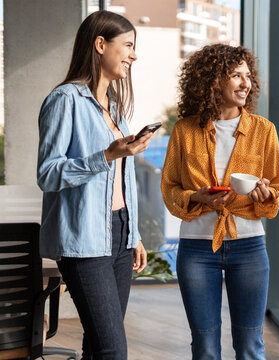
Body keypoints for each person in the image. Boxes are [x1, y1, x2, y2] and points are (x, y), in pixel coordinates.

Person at [37, 10, 152, 359]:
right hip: (84, 242)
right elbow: (48, 174)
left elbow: (119, 181)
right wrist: (105, 155)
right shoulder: (65, 100)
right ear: (101, 44)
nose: (134, 55)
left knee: (98, 345)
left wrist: (134, 236)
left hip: (119, 235)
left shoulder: (114, 106)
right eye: (128, 45)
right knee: (112, 348)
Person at [161, 44, 279, 360]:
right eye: (235, 75)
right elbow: (170, 189)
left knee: (250, 346)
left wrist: (265, 194)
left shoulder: (263, 130)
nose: (246, 83)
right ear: (213, 80)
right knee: (204, 346)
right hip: (197, 249)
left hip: (249, 248)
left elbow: (277, 192)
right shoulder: (185, 130)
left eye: (248, 76)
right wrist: (195, 198)